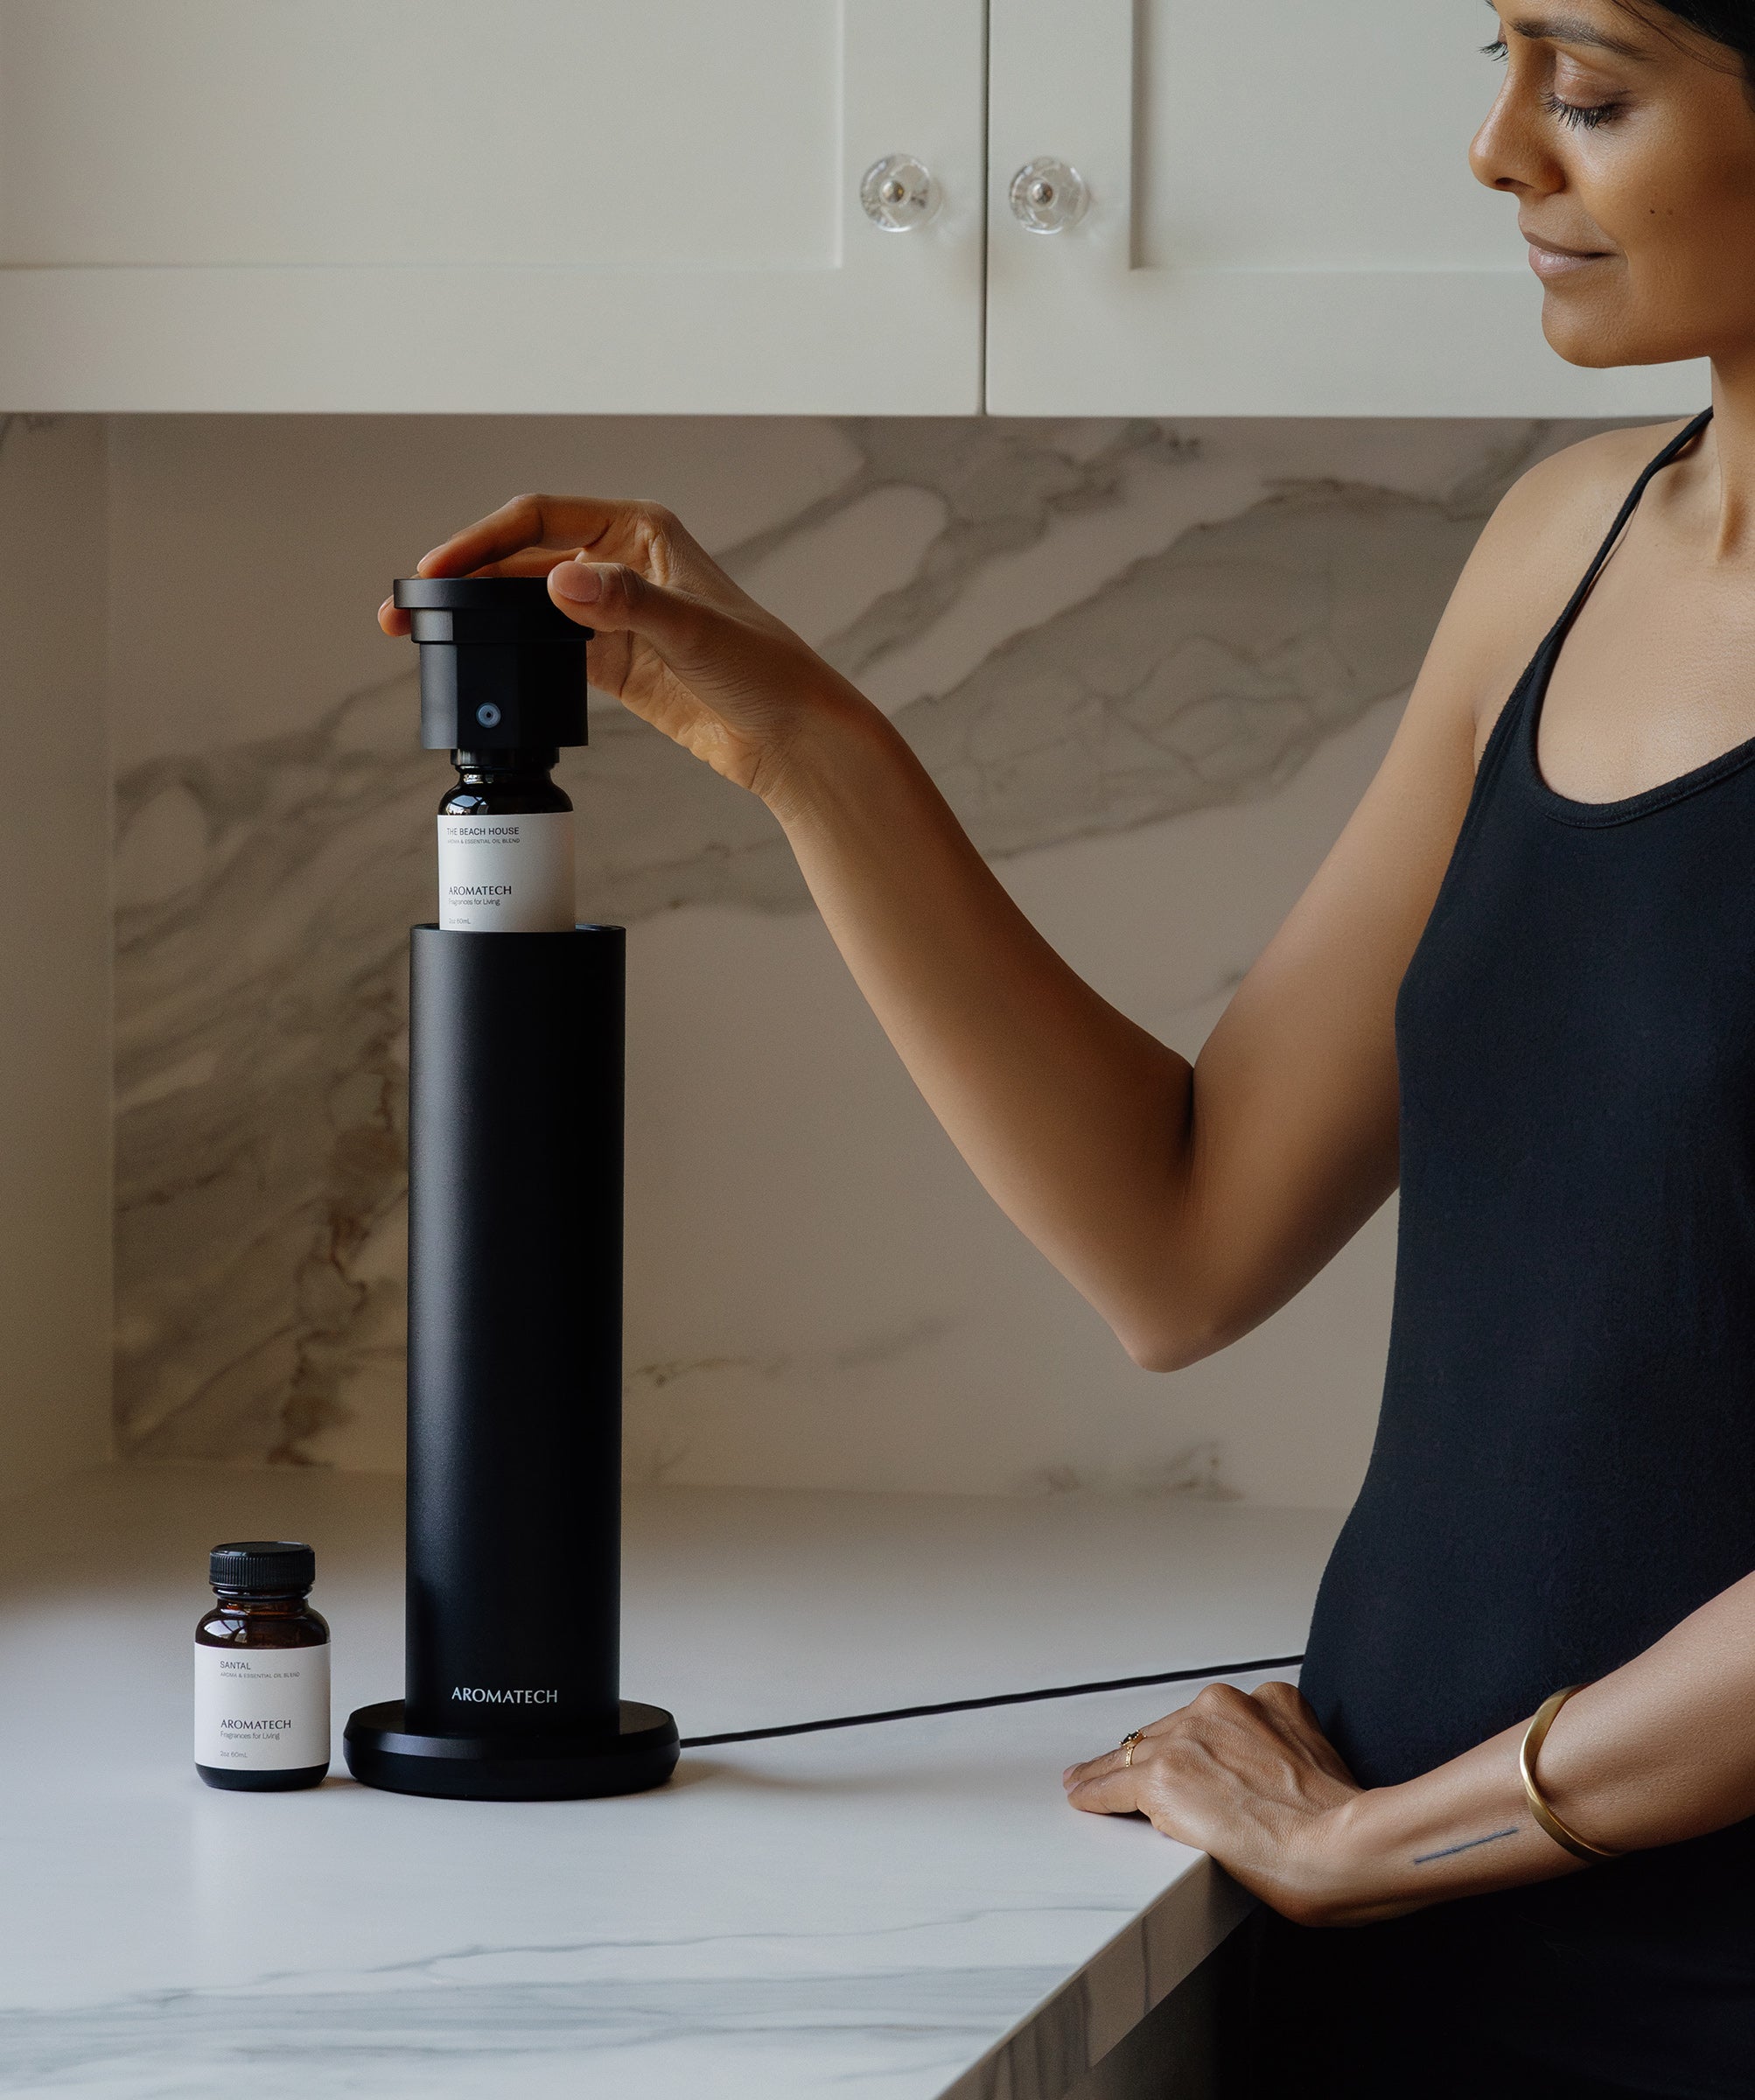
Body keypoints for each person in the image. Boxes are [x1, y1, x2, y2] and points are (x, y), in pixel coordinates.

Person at [379, 4, 1755, 2090]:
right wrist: (797, 743)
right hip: (1377, 1942)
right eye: (1499, 67)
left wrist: (1392, 1836)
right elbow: (1180, 1233)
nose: (1496, 154)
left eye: (1587, 90)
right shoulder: (1560, 548)